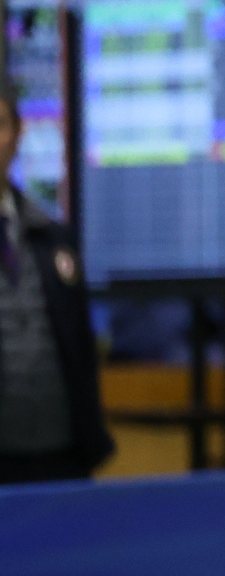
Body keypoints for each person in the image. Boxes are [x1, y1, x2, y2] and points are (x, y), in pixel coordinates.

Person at [0, 91, 112, 484]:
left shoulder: (53, 237)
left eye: (0, 125)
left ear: (18, 134)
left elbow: (80, 343)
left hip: (60, 457)